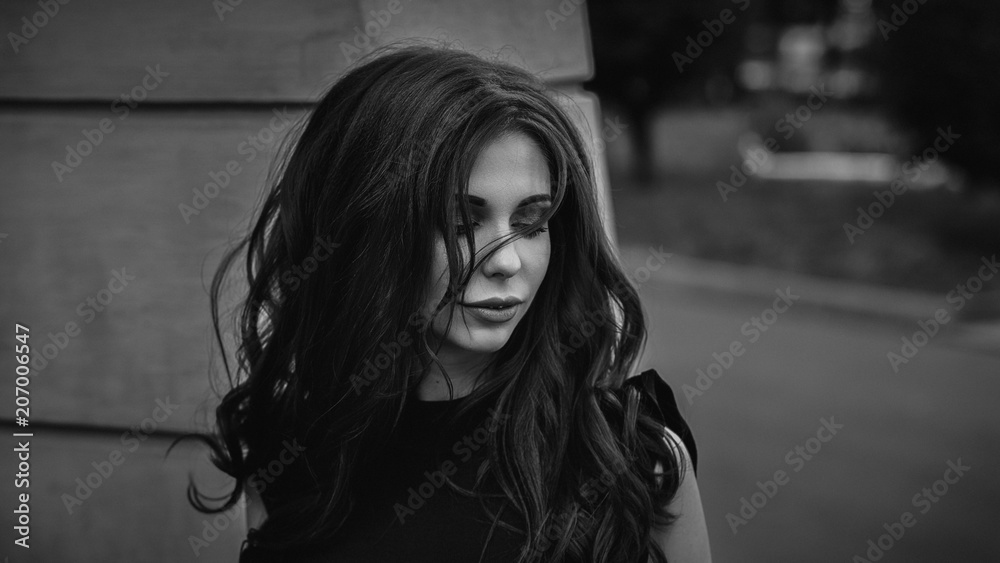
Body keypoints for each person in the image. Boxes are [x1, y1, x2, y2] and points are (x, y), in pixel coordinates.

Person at [183, 43, 712, 562]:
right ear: (364, 235)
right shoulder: (292, 457)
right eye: (462, 223)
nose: (507, 261)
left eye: (532, 222)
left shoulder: (632, 457)